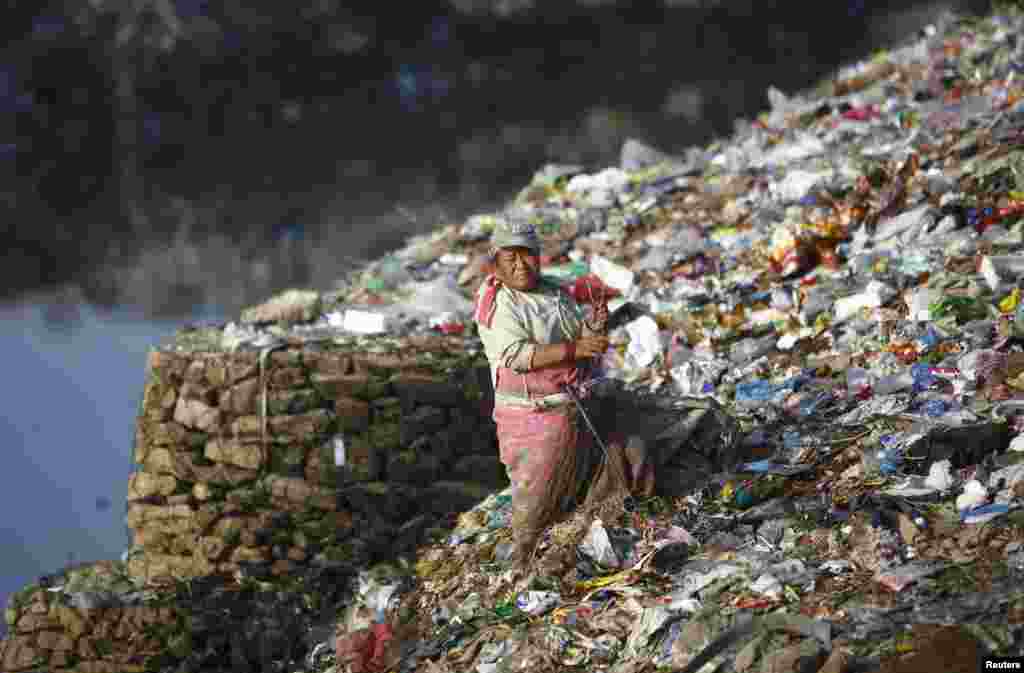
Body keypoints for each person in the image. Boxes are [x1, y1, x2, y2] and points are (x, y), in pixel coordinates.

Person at [473, 219, 613, 564]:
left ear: (539, 257)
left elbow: (573, 334)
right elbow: (516, 356)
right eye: (511, 258)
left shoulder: (554, 291)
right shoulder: (498, 302)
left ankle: (571, 552)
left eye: (527, 255)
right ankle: (522, 563)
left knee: (581, 486)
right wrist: (575, 350)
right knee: (535, 500)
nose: (520, 265)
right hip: (533, 415)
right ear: (496, 264)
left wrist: (593, 326)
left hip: (572, 404)